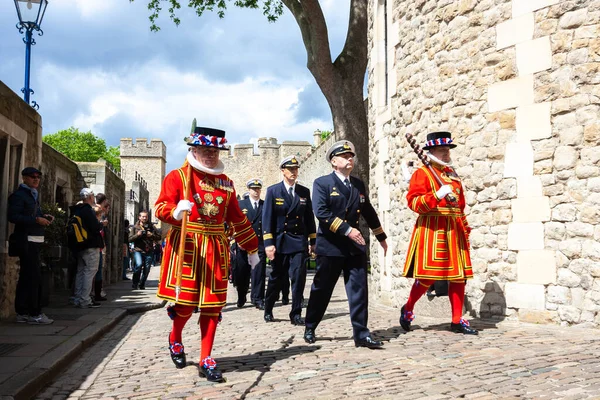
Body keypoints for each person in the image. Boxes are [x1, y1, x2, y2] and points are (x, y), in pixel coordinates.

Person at [155, 125, 259, 383]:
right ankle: (175, 338)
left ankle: (205, 357)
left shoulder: (227, 184)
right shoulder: (178, 177)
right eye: (205, 150)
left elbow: (237, 218)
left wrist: (251, 247)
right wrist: (176, 212)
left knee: (212, 306)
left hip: (216, 247)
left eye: (215, 151)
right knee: (186, 304)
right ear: (194, 150)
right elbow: (160, 207)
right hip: (188, 245)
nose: (211, 155)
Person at [303, 141, 388, 348]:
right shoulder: (322, 183)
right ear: (334, 161)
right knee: (322, 289)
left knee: (359, 290)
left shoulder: (358, 184)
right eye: (344, 156)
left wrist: (381, 237)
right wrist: (348, 230)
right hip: (331, 246)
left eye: (351, 156)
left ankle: (361, 334)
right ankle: (311, 325)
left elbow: (368, 211)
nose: (350, 159)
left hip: (354, 248)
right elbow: (321, 212)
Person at [399, 131, 477, 335]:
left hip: (454, 228)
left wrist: (465, 226)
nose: (446, 153)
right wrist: (436, 195)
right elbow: (414, 203)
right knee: (428, 276)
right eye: (442, 150)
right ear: (431, 151)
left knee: (458, 276)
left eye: (448, 149)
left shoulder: (452, 175)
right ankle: (408, 308)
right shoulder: (422, 174)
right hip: (433, 228)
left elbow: (460, 206)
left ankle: (457, 320)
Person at [262, 156, 316, 326]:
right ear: (283, 171)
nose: (293, 172)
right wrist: (268, 244)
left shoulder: (304, 192)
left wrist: (312, 240)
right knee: (276, 278)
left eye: (296, 169)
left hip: (298, 240)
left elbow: (309, 218)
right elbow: (267, 218)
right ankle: (268, 307)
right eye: (290, 169)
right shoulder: (273, 191)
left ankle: (296, 313)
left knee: (299, 278)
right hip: (280, 241)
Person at [7, 167, 55, 324]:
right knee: (33, 277)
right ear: (24, 178)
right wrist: (36, 220)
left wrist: (43, 217)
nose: (36, 179)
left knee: (27, 277)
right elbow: (13, 216)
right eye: (32, 176)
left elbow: (32, 215)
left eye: (38, 177)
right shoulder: (19, 196)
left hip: (35, 240)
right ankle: (35, 314)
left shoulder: (33, 195)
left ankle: (22, 312)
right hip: (25, 240)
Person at [233, 178, 267, 309]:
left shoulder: (265, 205)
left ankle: (258, 298)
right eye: (254, 189)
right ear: (249, 190)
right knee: (242, 273)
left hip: (259, 243)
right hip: (243, 243)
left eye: (258, 189)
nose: (256, 191)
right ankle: (242, 296)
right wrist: (238, 239)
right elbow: (234, 223)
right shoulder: (241, 204)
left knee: (259, 272)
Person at [70, 188, 105, 308]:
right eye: (93, 196)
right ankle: (85, 299)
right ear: (90, 197)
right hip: (90, 244)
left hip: (80, 245)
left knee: (81, 271)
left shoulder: (76, 209)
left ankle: (78, 297)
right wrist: (101, 224)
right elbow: (95, 227)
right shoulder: (88, 210)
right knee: (90, 272)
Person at [128, 210, 160, 290]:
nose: (144, 218)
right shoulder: (135, 227)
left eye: (146, 216)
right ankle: (135, 283)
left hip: (149, 250)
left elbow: (159, 237)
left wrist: (151, 235)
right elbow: (129, 239)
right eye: (143, 216)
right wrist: (137, 235)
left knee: (147, 268)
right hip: (138, 250)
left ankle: (142, 283)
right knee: (138, 265)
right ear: (139, 217)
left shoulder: (151, 227)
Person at [93, 193, 110, 301]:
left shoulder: (95, 210)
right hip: (98, 245)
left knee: (96, 270)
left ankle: (97, 292)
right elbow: (98, 230)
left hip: (98, 245)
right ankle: (97, 293)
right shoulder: (99, 212)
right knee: (97, 270)